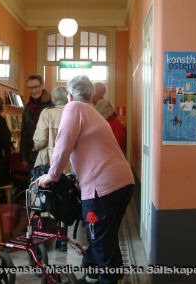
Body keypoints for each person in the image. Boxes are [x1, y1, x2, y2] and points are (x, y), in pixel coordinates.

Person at [37, 75, 134, 284]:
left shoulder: (73, 109)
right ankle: (106, 275)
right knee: (106, 236)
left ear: (70, 95)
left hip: (103, 186)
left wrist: (51, 176)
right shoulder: (95, 113)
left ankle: (107, 280)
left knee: (99, 238)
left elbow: (63, 144)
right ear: (91, 96)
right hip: (124, 182)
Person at [33, 86, 71, 252]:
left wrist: (34, 146)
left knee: (42, 197)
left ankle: (42, 235)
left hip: (47, 161)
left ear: (54, 99)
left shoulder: (47, 113)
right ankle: (62, 238)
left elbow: (40, 140)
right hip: (68, 162)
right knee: (65, 198)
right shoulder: (72, 112)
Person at [20, 74, 53, 170]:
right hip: (31, 155)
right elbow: (24, 132)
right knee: (33, 183)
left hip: (47, 155)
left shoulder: (51, 105)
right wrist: (23, 156)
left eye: (36, 87)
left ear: (42, 86)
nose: (33, 90)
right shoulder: (27, 106)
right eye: (30, 88)